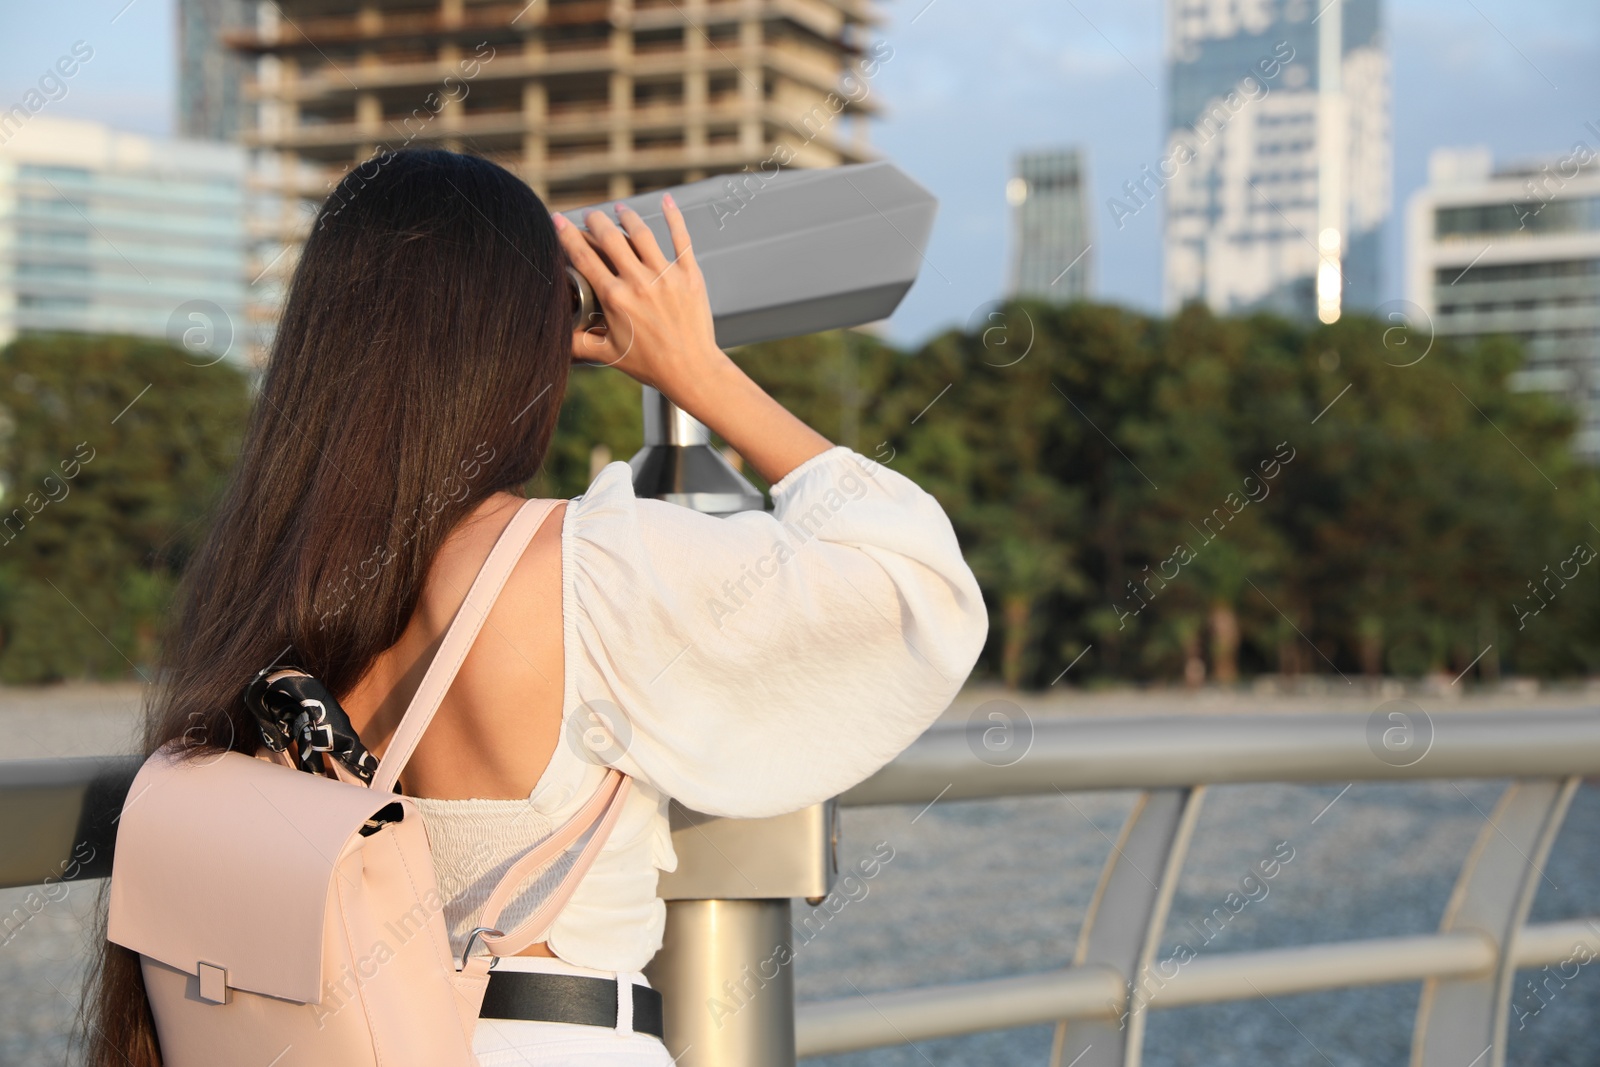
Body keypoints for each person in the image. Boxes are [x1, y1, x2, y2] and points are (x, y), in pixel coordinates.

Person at [84, 149, 987, 1066]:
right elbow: (916, 584)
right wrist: (695, 371)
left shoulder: (263, 584)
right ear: (523, 340)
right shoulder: (587, 567)